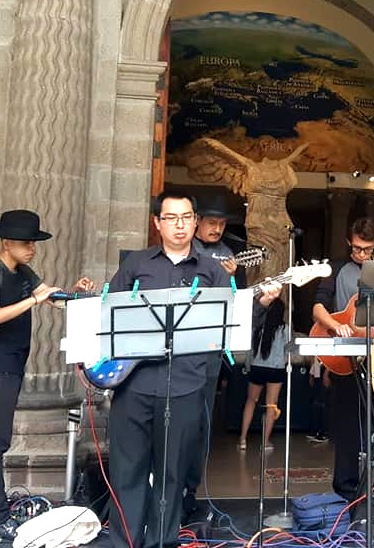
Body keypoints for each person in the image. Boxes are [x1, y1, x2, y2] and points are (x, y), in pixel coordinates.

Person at [107, 189, 280, 548]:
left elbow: (231, 327)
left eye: (186, 217)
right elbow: (108, 317)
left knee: (172, 475)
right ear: (157, 223)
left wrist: (260, 305)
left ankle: (162, 542)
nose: (180, 225)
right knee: (128, 472)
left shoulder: (213, 271)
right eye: (171, 218)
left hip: (186, 385)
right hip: (133, 385)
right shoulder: (136, 265)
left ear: (195, 222)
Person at [0, 210, 93, 541]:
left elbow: (52, 299)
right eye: (26, 243)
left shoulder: (23, 270)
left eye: (33, 242)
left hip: (11, 365)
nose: (32, 248)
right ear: (6, 242)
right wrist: (32, 300)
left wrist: (75, 292)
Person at [183, 192, 247, 519]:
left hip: (209, 349)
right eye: (212, 223)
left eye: (222, 224)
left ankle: (190, 491)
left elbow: (240, 302)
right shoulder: (184, 250)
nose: (217, 229)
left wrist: (232, 277)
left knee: (202, 422)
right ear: (197, 223)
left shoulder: (229, 256)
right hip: (180, 348)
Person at [310, 217, 374, 502]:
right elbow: (318, 307)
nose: (361, 254)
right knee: (346, 424)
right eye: (356, 248)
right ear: (348, 242)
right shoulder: (337, 268)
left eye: (366, 249)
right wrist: (334, 324)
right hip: (344, 356)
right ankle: (346, 490)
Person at [238, 297, 287, 450]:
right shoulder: (285, 329)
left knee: (251, 401)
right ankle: (265, 442)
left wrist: (248, 366)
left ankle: (242, 439)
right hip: (276, 368)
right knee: (271, 405)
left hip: (257, 366)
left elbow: (249, 349)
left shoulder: (257, 327)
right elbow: (288, 350)